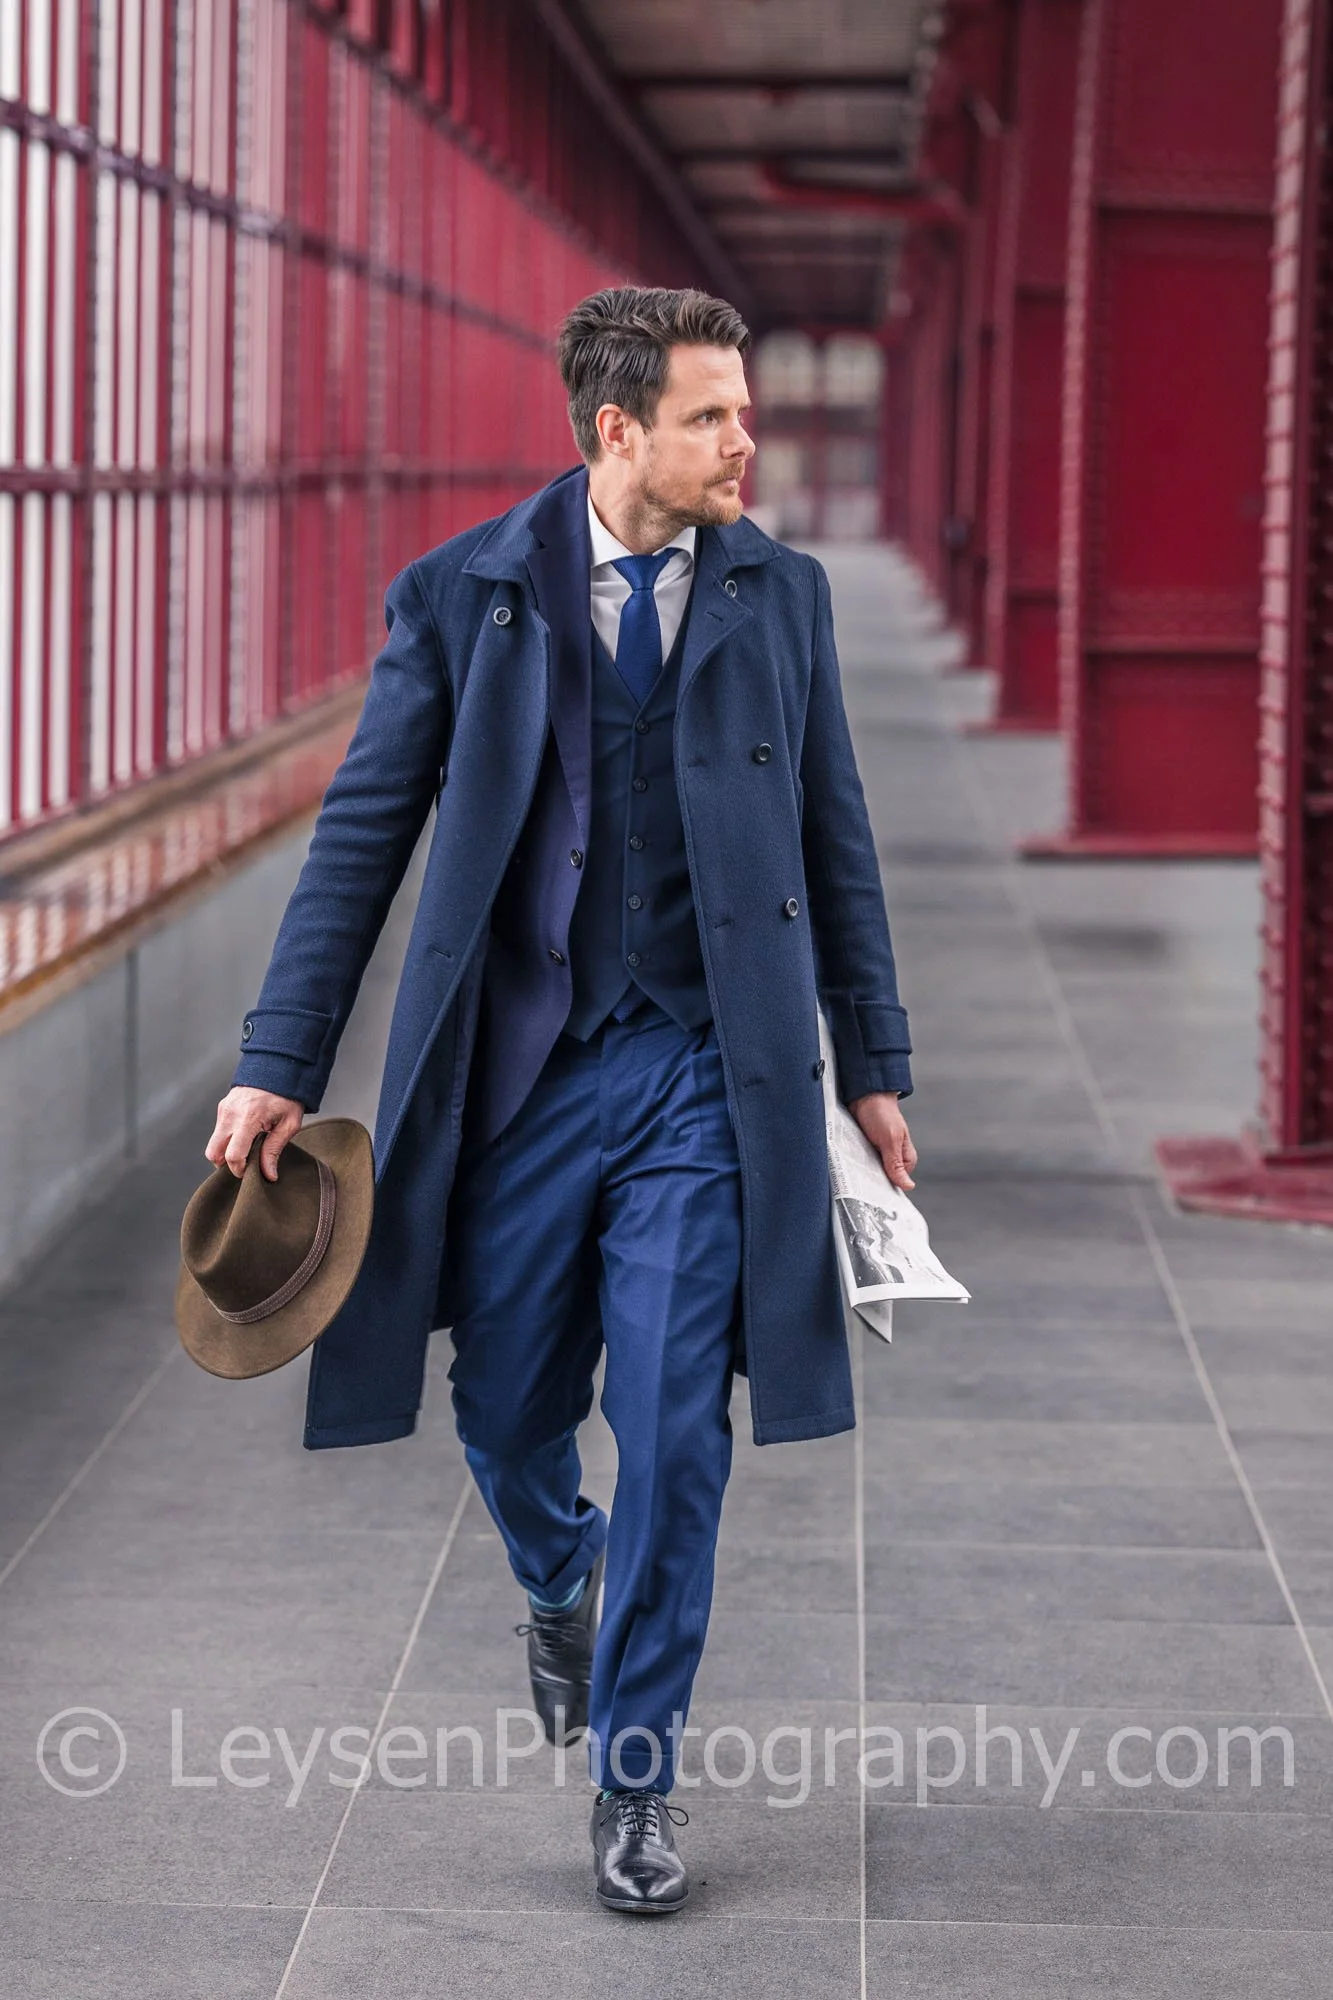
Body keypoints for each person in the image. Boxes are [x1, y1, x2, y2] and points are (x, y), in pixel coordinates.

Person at [206, 285, 916, 1915]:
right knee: (507, 1409)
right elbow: (361, 843)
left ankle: (639, 1781)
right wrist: (276, 1058)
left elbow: (837, 837)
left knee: (678, 1425)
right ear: (619, 432)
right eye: (713, 415)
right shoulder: (463, 597)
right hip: (520, 1072)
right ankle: (558, 1577)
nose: (749, 439)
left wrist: (872, 1064)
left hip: (699, 1072)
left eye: (743, 409)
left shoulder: (780, 598)